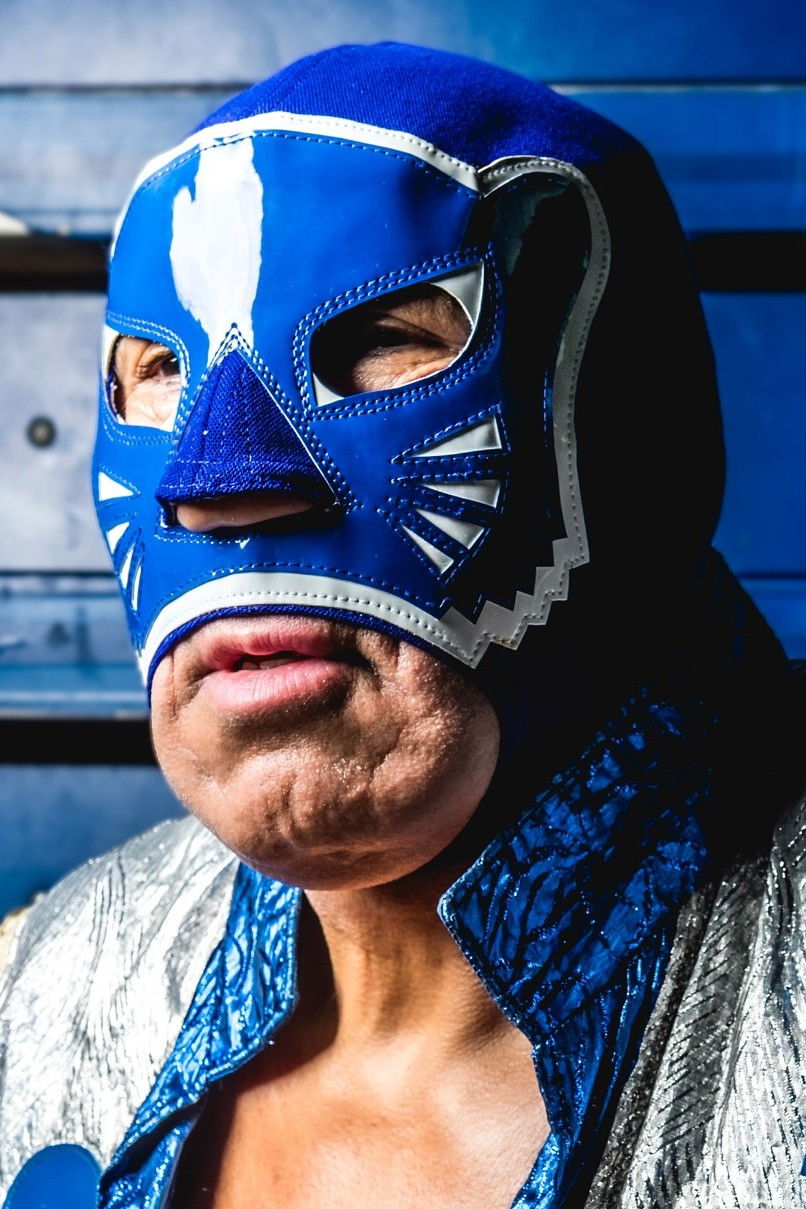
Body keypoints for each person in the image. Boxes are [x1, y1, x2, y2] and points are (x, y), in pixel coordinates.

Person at [0, 40, 803, 1209]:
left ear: (618, 417)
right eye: (157, 370)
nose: (217, 483)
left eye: (383, 338)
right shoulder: (52, 985)